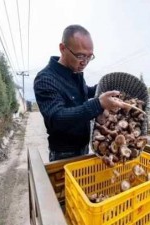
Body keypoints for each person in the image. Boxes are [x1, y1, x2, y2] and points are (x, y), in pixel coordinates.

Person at [34, 24, 123, 162]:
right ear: (62, 48)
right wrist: (98, 103)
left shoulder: (75, 72)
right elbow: (57, 117)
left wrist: (104, 88)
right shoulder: (45, 79)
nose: (85, 62)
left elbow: (85, 92)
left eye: (89, 56)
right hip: (64, 154)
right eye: (80, 55)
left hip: (84, 148)